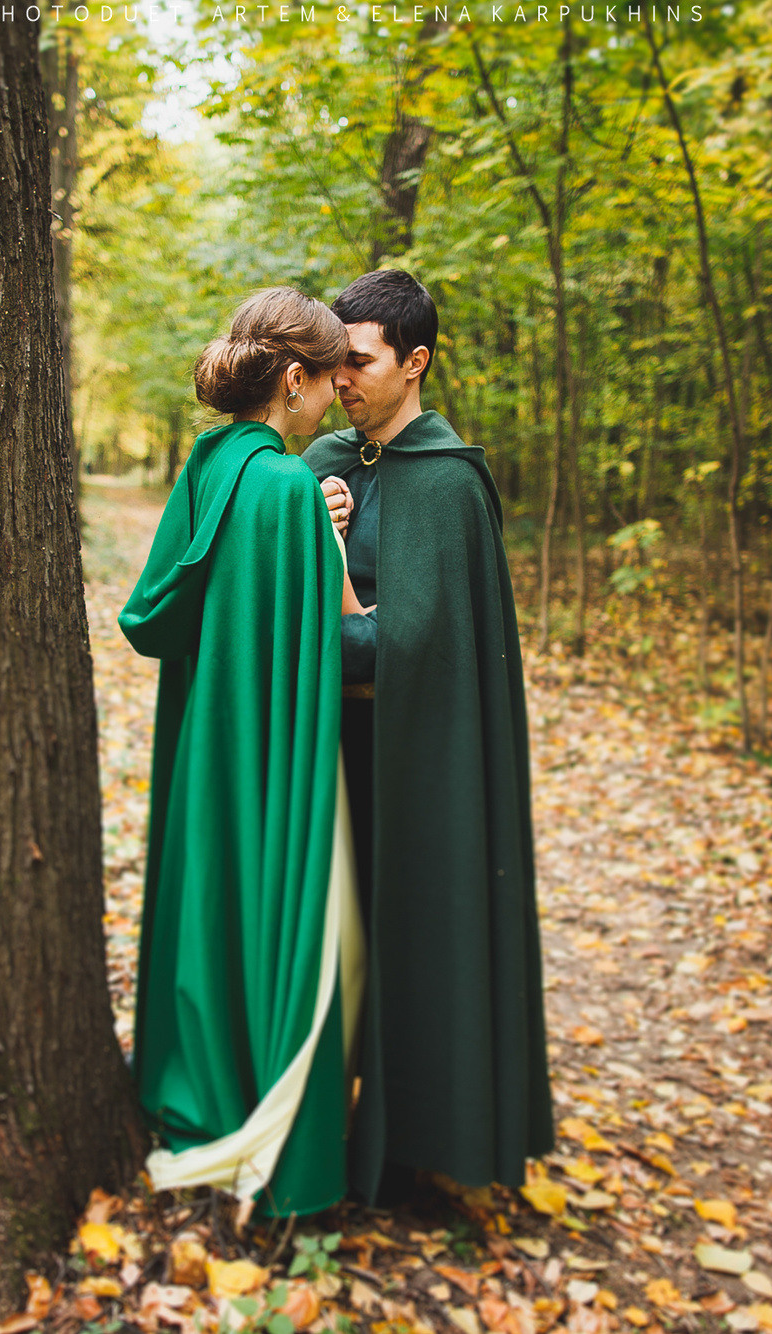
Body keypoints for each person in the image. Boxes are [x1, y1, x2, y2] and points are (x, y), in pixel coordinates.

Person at [301, 269, 555, 1206]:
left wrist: (330, 579)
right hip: (324, 759)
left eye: (359, 362)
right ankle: (313, 1129)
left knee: (416, 945)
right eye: (331, 361)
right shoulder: (321, 458)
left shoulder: (449, 486)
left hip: (417, 764)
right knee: (328, 952)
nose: (339, 379)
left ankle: (417, 1142)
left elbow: (384, 650)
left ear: (415, 364)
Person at [118, 287, 370, 1219]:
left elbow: (154, 614)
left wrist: (315, 524)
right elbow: (333, 639)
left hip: (204, 743)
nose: (337, 396)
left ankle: (191, 1081)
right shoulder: (288, 489)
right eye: (329, 378)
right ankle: (270, 1123)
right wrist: (324, 534)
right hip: (269, 751)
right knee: (284, 910)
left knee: (210, 900)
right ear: (293, 379)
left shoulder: (211, 463)